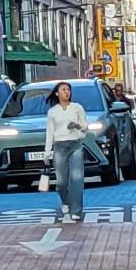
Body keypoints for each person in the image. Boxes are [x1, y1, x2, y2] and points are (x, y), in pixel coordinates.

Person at [44, 80, 99, 224]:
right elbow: (50, 133)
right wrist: (47, 152)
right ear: (57, 93)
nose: (66, 92)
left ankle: (76, 210)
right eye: (63, 90)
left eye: (68, 90)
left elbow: (85, 127)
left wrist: (77, 125)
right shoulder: (52, 112)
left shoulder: (77, 108)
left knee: (77, 179)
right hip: (59, 146)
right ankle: (65, 201)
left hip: (75, 145)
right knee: (61, 182)